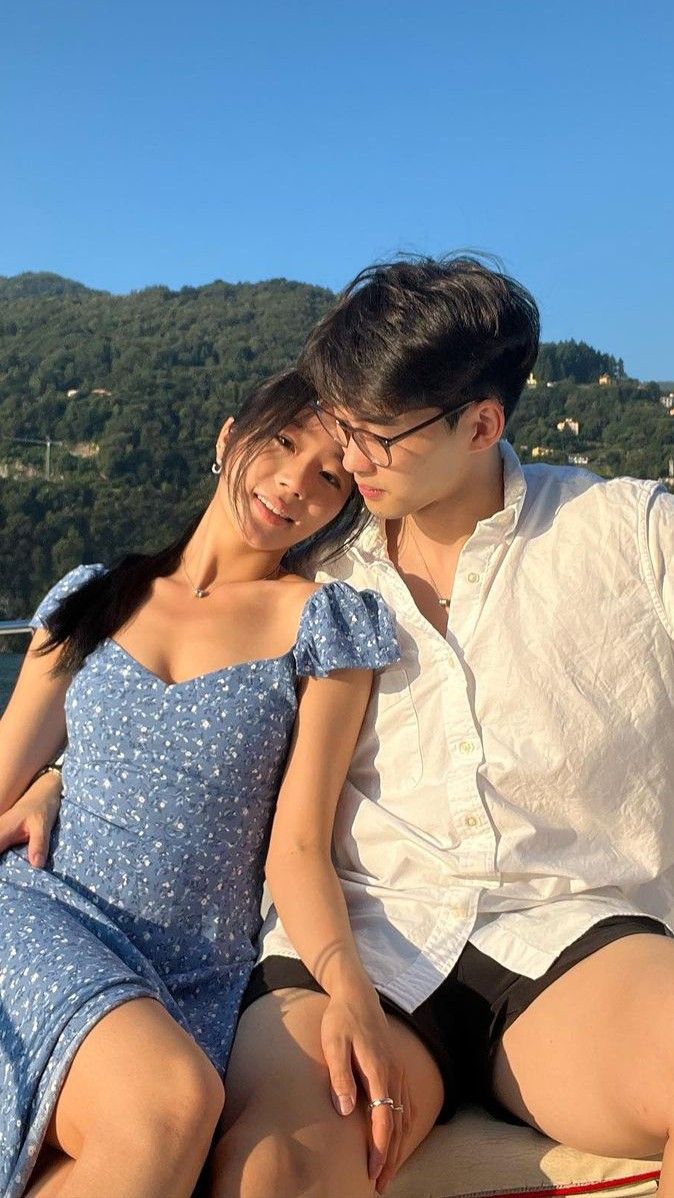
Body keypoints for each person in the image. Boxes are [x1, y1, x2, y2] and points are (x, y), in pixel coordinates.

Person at [9, 256, 674, 1198]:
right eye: (339, 433)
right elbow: (182, 711)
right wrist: (62, 778)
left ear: (481, 424)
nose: (345, 465)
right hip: (362, 937)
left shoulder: (625, 534)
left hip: (566, 939)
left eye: (371, 439)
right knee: (275, 1171)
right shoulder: (328, 573)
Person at [0, 368, 401, 1198]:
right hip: (43, 917)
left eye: (330, 474)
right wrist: (48, 781)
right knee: (169, 1104)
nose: (295, 482)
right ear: (228, 439)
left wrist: (349, 988)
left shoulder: (323, 627)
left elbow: (297, 846)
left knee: (149, 1129)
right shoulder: (91, 599)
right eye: (283, 442)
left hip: (190, 978)